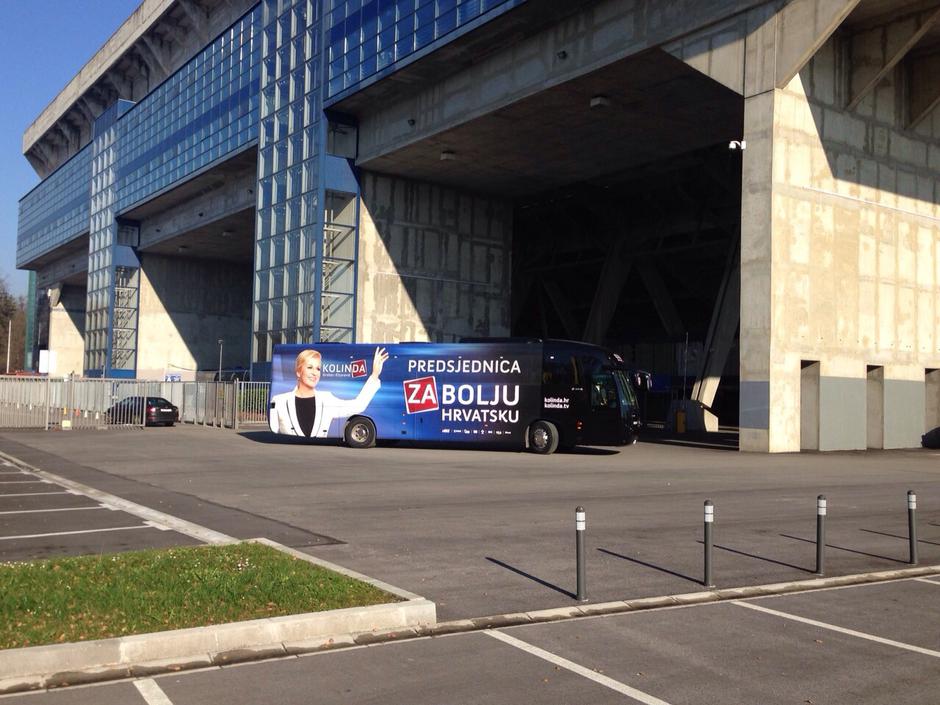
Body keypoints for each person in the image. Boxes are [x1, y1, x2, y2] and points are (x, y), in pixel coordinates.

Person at [269, 346, 388, 438]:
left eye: (318, 369)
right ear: (299, 372)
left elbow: (358, 405)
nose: (314, 373)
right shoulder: (280, 401)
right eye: (309, 367)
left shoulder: (326, 399)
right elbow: (275, 428)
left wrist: (374, 375)